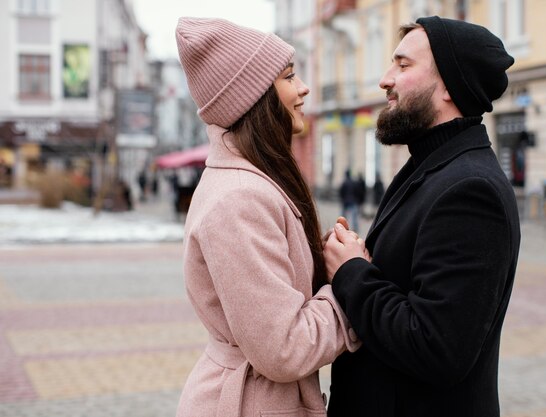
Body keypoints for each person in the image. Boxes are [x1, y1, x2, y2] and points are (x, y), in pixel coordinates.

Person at [323, 16, 521, 417]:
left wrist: (352, 272)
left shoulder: (470, 189)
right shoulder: (432, 167)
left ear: (448, 85)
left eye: (403, 65)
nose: (385, 79)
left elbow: (436, 347)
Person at [174, 18, 360, 417]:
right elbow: (284, 349)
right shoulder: (241, 199)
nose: (304, 87)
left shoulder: (250, 183)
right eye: (290, 77)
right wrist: (350, 285)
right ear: (254, 97)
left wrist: (320, 262)